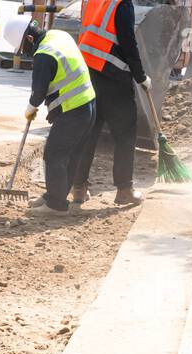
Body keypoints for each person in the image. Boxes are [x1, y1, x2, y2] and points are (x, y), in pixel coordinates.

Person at [3, 16, 97, 218]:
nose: (26, 54)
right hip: (89, 103)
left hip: (73, 109)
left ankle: (56, 205)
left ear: (29, 38)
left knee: (54, 154)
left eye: (23, 49)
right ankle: (55, 196)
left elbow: (38, 91)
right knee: (70, 154)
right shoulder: (58, 35)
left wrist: (31, 107)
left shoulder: (43, 55)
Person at [72, 0, 149, 206]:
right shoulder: (121, 3)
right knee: (125, 135)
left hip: (87, 74)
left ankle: (78, 188)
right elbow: (127, 41)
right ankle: (124, 190)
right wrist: (140, 76)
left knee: (88, 133)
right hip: (114, 76)